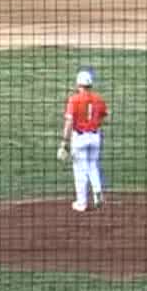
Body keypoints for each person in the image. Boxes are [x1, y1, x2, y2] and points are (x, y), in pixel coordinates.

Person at [58, 68, 109, 212]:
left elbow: (69, 122)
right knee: (93, 166)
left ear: (78, 84)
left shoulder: (74, 99)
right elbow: (104, 115)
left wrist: (64, 143)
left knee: (80, 170)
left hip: (79, 139)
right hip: (95, 137)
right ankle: (97, 194)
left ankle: (82, 203)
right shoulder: (98, 98)